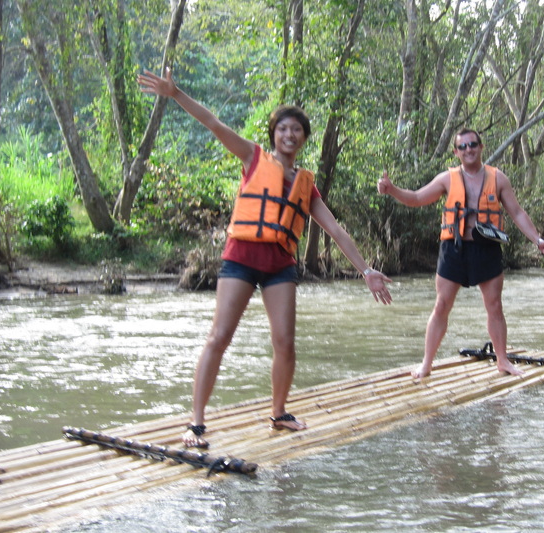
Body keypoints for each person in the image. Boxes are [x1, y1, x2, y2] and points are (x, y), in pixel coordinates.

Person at [138, 67, 392, 448]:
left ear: (304, 139)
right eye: (283, 129)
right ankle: (196, 423)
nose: (289, 135)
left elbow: (336, 232)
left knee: (285, 342)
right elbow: (212, 122)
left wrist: (367, 270)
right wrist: (175, 94)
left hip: (279, 266)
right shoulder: (252, 157)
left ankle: (278, 412)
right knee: (219, 336)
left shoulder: (307, 186)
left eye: (297, 130)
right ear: (273, 134)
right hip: (241, 257)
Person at [377, 128, 544, 379]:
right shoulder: (447, 179)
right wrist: (392, 190)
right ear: (456, 152)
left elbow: (517, 212)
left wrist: (538, 239)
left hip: (487, 248)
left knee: (494, 306)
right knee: (441, 305)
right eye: (463, 146)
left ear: (481, 147)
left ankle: (502, 360)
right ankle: (426, 364)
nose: (468, 150)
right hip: (454, 249)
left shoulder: (498, 178)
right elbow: (416, 197)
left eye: (473, 145)